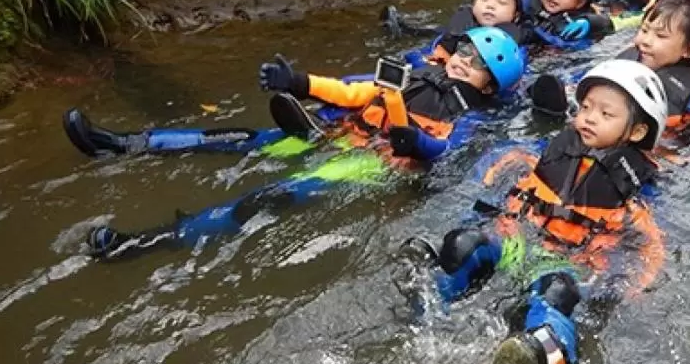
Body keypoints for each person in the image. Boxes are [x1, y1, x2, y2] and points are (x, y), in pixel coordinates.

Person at [70, 27, 526, 260]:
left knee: (274, 196)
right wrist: (300, 82)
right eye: (464, 53)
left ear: (491, 83)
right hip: (343, 135)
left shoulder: (471, 116)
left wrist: (418, 146)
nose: (465, 62)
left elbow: (446, 152)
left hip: (375, 162)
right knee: (243, 139)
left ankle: (139, 244)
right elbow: (353, 92)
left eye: (479, 63)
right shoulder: (416, 75)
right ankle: (124, 144)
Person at [405, 60, 668, 364]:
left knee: (557, 292)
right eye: (586, 107)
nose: (589, 117)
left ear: (638, 130)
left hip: (565, 263)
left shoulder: (630, 202)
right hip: (520, 242)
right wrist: (487, 200)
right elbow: (499, 172)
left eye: (606, 113)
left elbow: (649, 252)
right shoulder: (550, 154)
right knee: (465, 243)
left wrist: (623, 290)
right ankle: (428, 299)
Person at [529, 0, 690, 146]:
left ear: (688, 50)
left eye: (661, 36)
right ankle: (554, 114)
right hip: (594, 126)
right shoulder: (627, 59)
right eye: (644, 30)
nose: (645, 40)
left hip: (638, 147)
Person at [381, 0, 533, 66]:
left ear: (516, 15)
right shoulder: (461, 24)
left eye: (502, 2)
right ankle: (405, 29)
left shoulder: (516, 48)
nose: (490, 5)